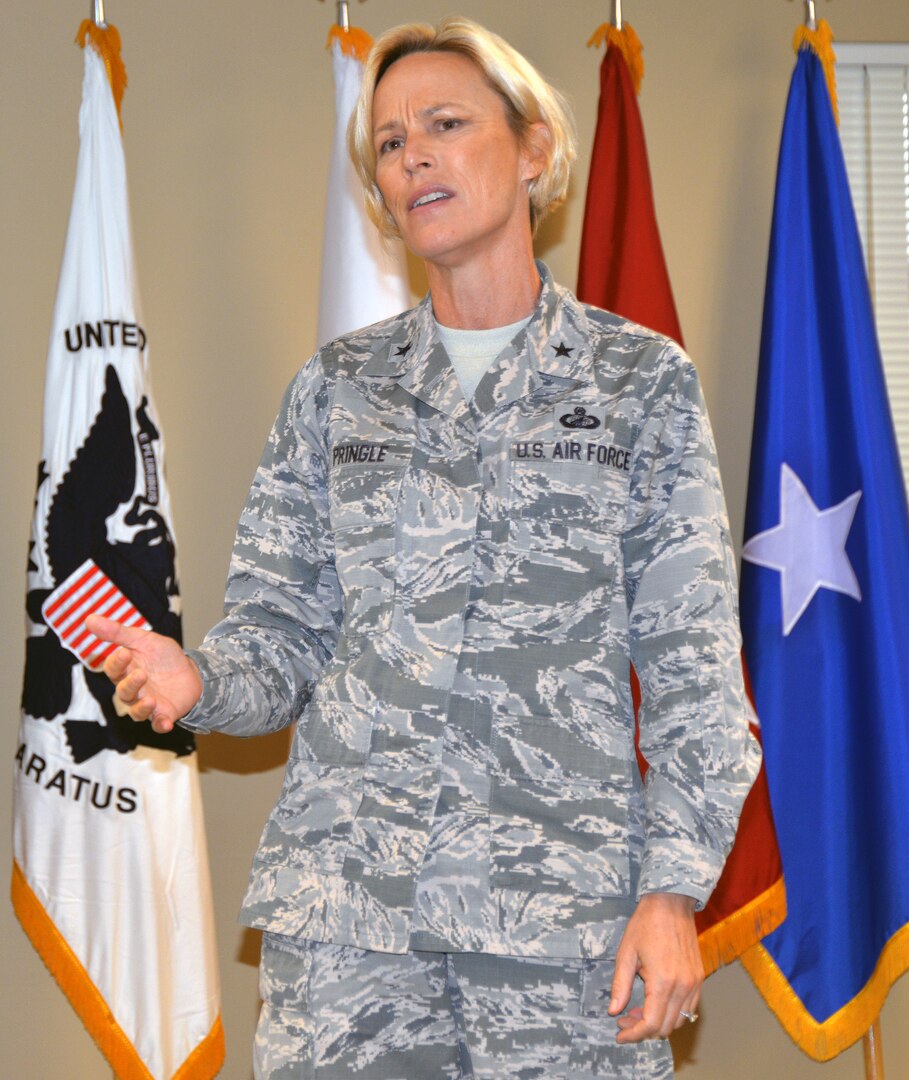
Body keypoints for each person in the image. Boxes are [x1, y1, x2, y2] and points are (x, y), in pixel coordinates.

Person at [90, 16, 760, 1079]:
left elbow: (693, 673)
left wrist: (672, 890)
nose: (414, 156)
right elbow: (284, 634)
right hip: (348, 928)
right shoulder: (337, 388)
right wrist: (199, 678)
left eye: (445, 124)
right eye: (392, 143)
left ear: (534, 149)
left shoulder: (636, 383)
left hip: (560, 936)